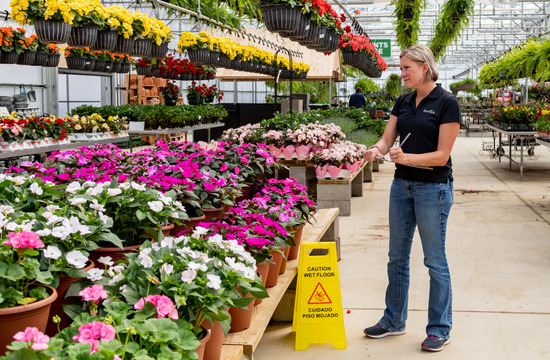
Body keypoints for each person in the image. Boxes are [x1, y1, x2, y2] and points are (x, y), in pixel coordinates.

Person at [362, 45, 461, 352]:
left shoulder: (447, 103)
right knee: (397, 257)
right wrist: (375, 150)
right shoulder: (403, 101)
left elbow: (442, 156)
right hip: (402, 187)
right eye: (401, 68)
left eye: (406, 68)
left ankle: (439, 328)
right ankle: (394, 320)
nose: (401, 73)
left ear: (424, 68)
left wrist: (407, 158)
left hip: (433, 188)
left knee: (434, 260)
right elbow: (386, 137)